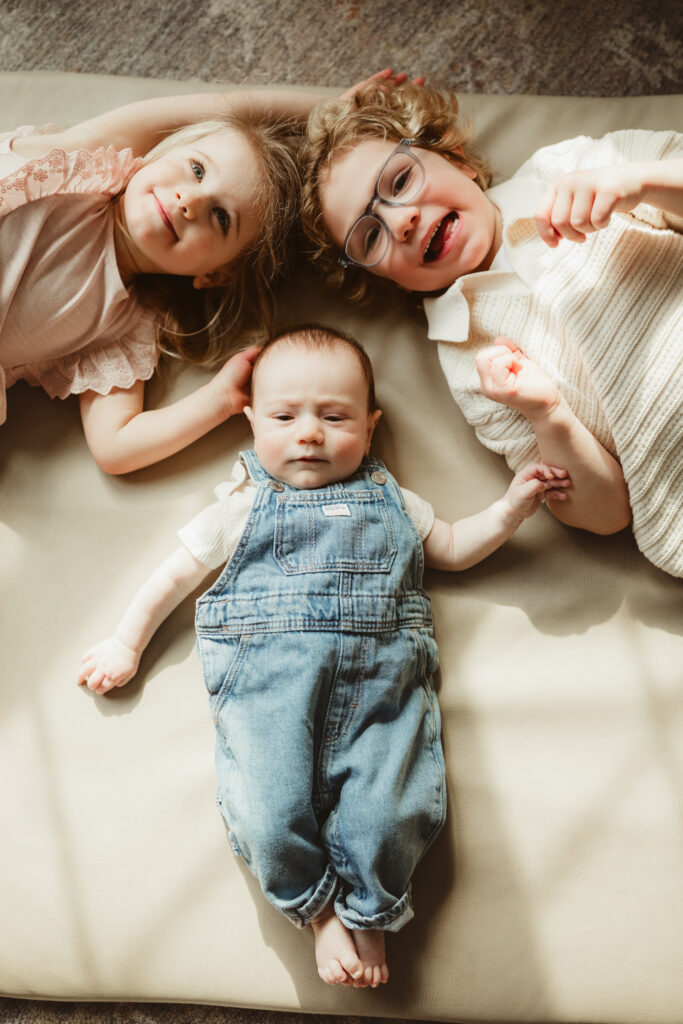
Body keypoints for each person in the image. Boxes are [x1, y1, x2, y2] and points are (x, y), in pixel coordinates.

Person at [77, 324, 570, 988]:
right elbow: (173, 576)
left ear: (369, 428)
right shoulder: (241, 505)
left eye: (334, 417)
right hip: (270, 694)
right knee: (267, 807)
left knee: (394, 807)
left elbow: (451, 546)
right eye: (284, 416)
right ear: (251, 422)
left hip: (382, 692)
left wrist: (510, 509)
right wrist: (125, 642)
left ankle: (368, 914)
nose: (308, 432)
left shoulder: (394, 499)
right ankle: (317, 913)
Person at [299, 83, 683, 577]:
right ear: (384, 279)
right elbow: (606, 514)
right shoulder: (467, 359)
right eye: (370, 235)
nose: (403, 221)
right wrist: (547, 414)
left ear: (458, 159)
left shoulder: (568, 168)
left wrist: (637, 183)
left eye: (399, 183)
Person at [0, 71, 404, 473]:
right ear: (160, 152)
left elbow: (116, 446)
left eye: (221, 218)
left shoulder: (120, 328)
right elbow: (221, 108)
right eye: (196, 169)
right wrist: (327, 113)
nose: (189, 201)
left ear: (215, 274)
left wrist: (216, 400)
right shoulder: (71, 169)